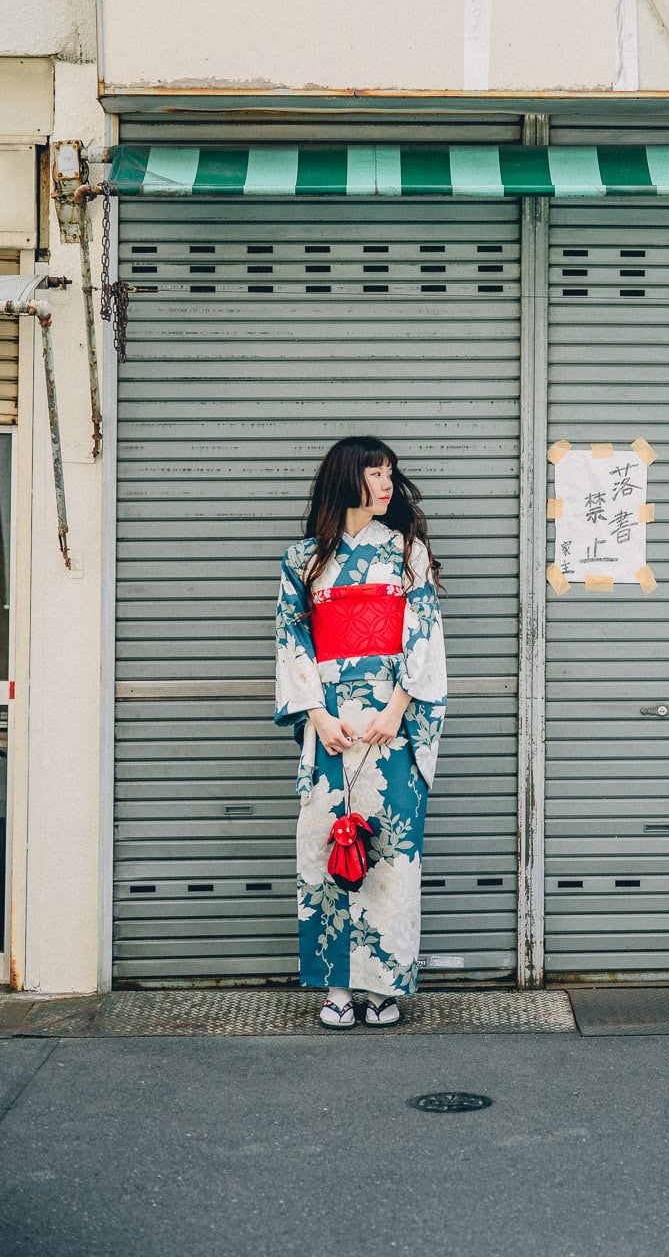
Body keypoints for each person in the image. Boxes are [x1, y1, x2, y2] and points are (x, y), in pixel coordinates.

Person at [275, 436, 446, 1027]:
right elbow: (293, 640)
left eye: (390, 474)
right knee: (326, 846)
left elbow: (423, 633)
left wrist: (398, 707)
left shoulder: (408, 553)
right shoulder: (303, 559)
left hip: (391, 727)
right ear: (347, 480)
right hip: (330, 727)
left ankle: (385, 987)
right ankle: (337, 987)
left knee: (391, 851)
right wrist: (317, 716)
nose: (387, 485)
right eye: (376, 473)